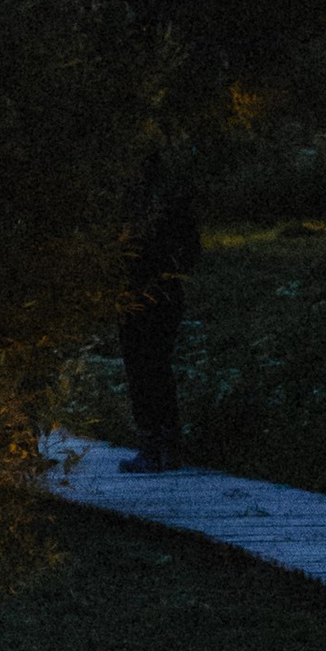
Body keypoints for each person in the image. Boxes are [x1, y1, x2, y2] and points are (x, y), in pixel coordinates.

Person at [116, 149, 201, 473]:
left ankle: (151, 447)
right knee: (159, 367)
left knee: (141, 368)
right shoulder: (176, 204)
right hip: (166, 294)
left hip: (138, 294)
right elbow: (191, 252)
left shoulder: (133, 208)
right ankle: (168, 446)